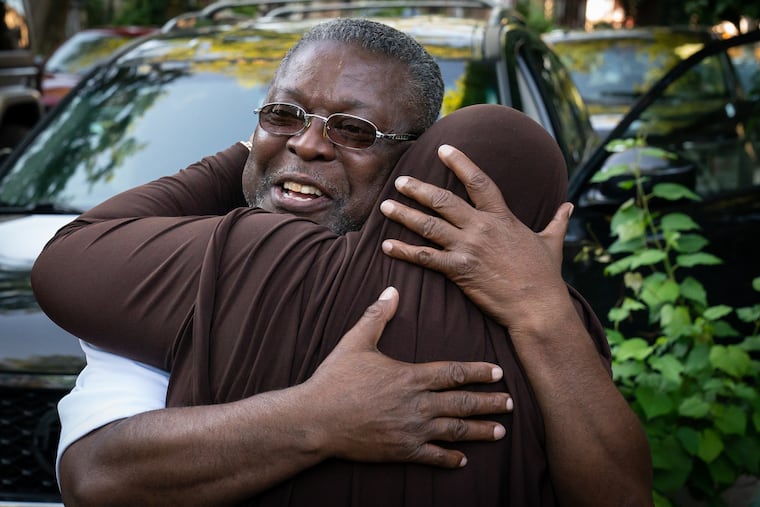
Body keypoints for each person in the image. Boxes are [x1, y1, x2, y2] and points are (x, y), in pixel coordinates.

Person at [32, 18, 652, 506]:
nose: (307, 144)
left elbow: (619, 495)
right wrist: (316, 418)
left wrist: (543, 310)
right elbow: (98, 478)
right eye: (283, 115)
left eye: (352, 130)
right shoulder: (171, 269)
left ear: (415, 163)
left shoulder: (511, 290)